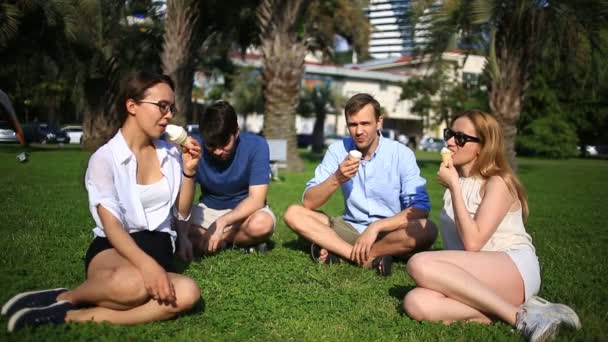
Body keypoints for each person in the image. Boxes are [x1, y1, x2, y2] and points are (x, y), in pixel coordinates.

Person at [2, 71, 202, 332]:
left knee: (188, 292)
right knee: (134, 286)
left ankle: (72, 315)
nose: (169, 115)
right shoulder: (104, 159)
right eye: (162, 106)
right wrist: (148, 267)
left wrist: (189, 171)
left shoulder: (170, 154)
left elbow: (181, 212)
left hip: (160, 247)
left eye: (171, 108)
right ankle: (69, 297)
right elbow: (112, 227)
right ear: (132, 106)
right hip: (114, 249)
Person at [403, 110, 581, 341]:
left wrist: (455, 187)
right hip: (475, 276)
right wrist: (456, 186)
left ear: (483, 147)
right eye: (449, 134)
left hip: (512, 267)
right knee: (416, 302)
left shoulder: (497, 182)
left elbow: (473, 243)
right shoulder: (457, 182)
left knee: (419, 262)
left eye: (460, 138)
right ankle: (525, 311)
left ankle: (520, 317)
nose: (449, 142)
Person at [284, 93, 437, 276]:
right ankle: (364, 258)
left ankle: (340, 252)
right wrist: (337, 178)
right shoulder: (337, 150)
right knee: (293, 213)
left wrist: (376, 227)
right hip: (350, 227)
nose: (358, 131)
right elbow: (309, 202)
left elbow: (420, 208)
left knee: (428, 228)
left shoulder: (401, 154)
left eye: (365, 124)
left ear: (379, 122)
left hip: (389, 231)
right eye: (353, 124)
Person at [177, 100, 275, 260]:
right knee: (171, 222)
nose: (217, 151)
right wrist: (189, 170)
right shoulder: (195, 146)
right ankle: (238, 241)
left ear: (236, 132)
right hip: (207, 210)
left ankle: (216, 240)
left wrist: (222, 223)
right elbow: (183, 203)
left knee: (262, 224)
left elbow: (257, 200)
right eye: (211, 145)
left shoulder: (257, 145)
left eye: (224, 144)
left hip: (245, 213)